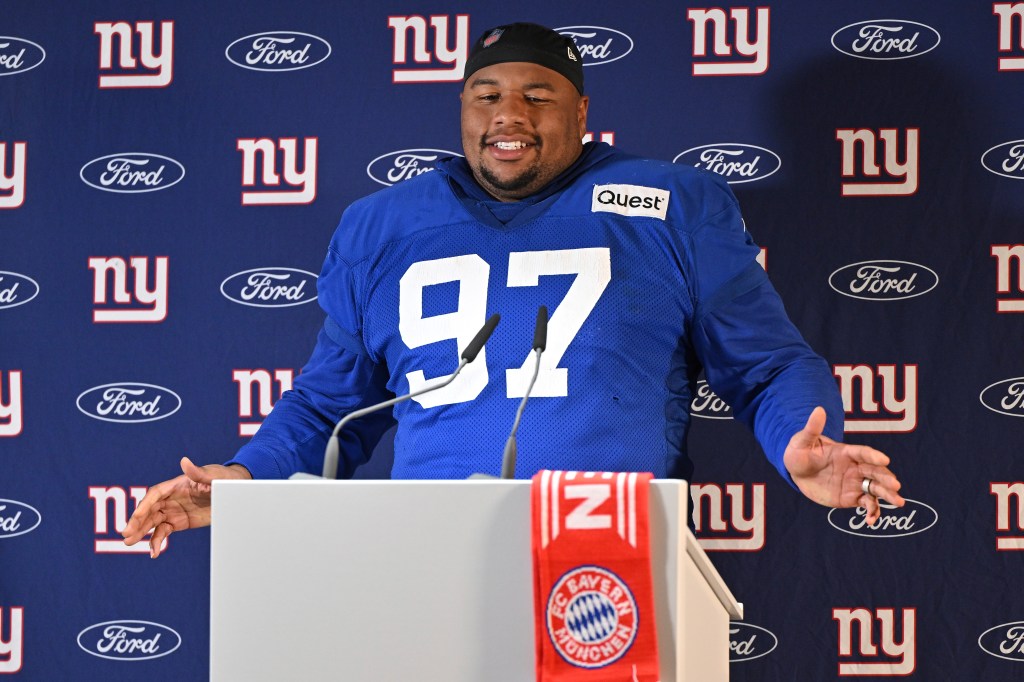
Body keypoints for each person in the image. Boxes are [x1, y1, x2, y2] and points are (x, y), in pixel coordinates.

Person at [123, 22, 904, 558]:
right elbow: (332, 405)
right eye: (486, 93)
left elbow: (767, 366)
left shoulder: (671, 206)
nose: (509, 114)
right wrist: (250, 478)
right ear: (461, 106)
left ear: (583, 111)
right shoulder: (381, 226)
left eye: (538, 95)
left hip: (608, 551)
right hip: (425, 552)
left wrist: (805, 439)